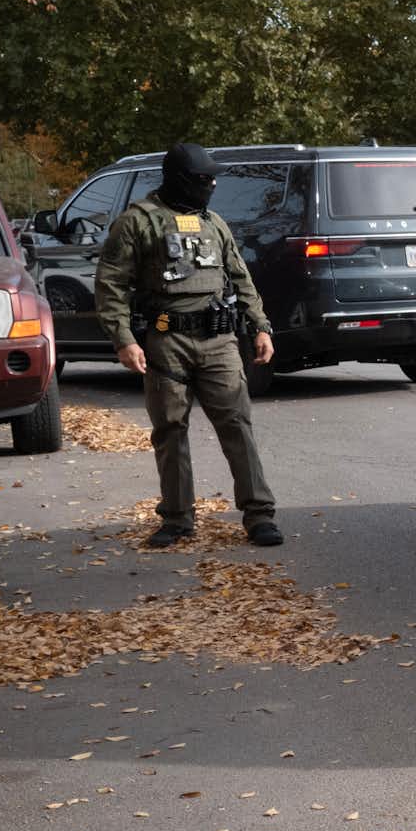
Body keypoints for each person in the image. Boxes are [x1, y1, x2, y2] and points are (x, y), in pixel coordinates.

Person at [93, 142, 283, 548]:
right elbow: (111, 283)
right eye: (202, 180)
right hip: (168, 341)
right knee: (170, 430)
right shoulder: (137, 222)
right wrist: (124, 339)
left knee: (237, 426)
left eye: (212, 180)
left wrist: (261, 327)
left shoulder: (214, 223)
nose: (210, 186)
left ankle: (259, 515)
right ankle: (177, 518)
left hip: (219, 341)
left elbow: (240, 276)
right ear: (179, 179)